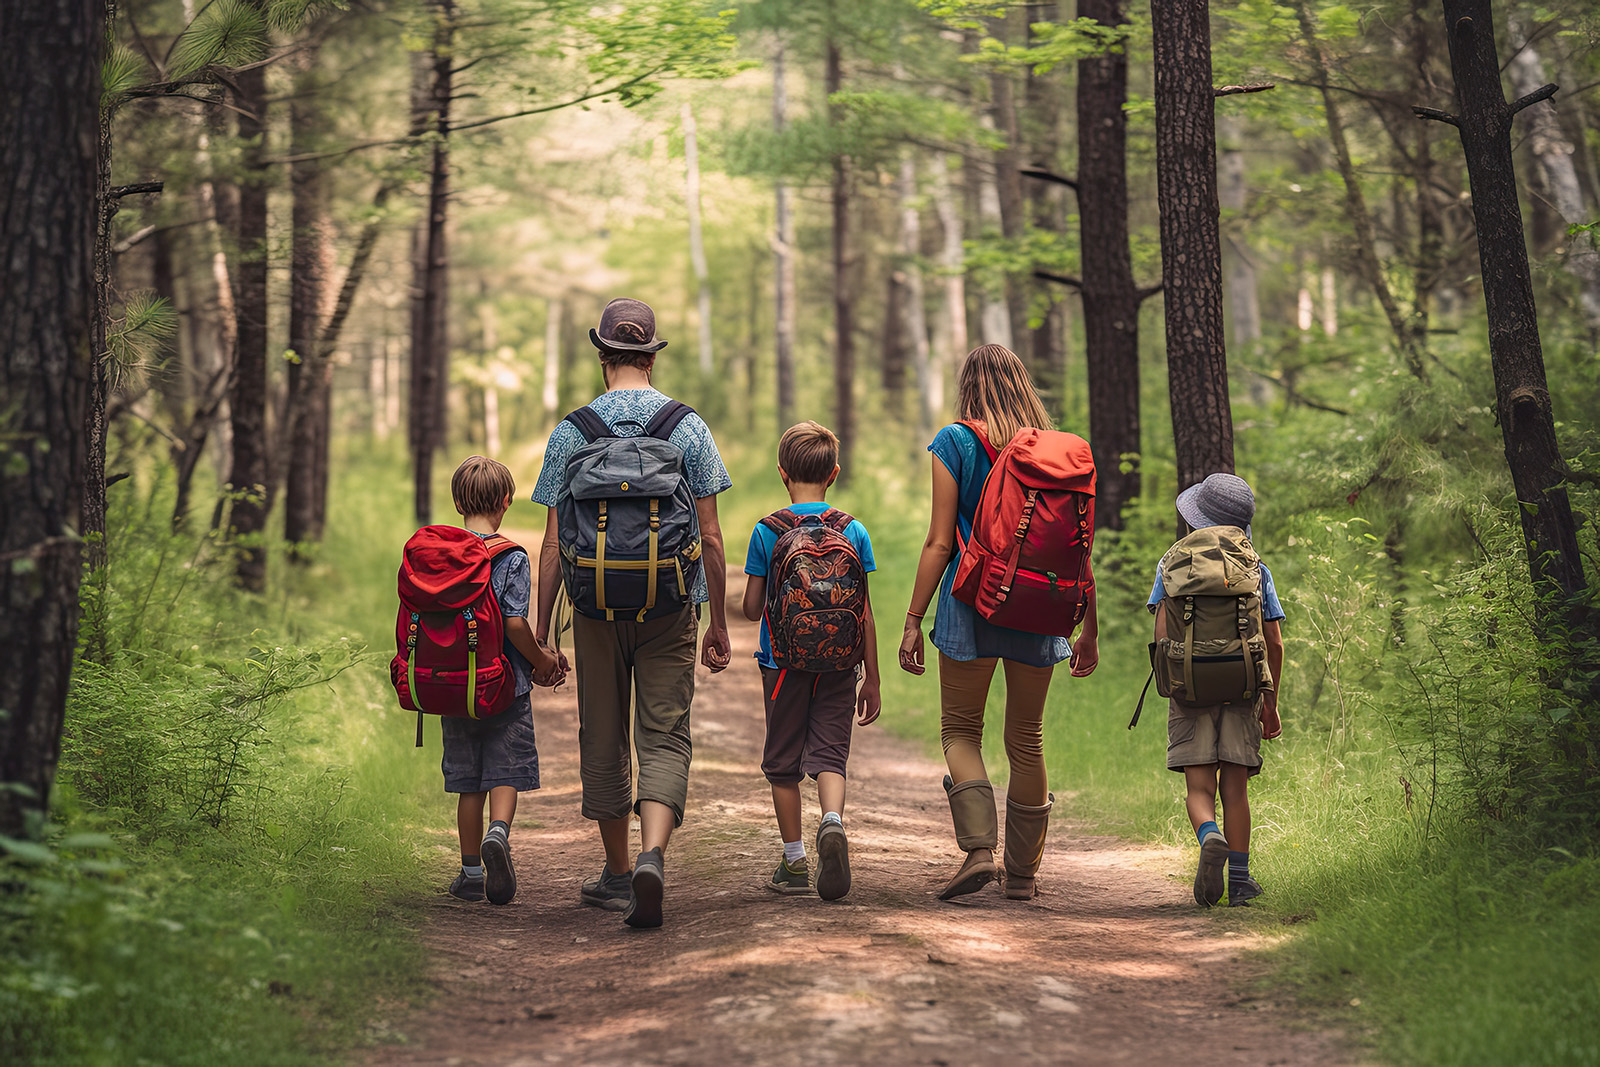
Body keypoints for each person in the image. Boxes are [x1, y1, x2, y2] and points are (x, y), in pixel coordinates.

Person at [531, 297, 733, 929]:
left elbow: (550, 544)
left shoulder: (572, 431)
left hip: (592, 609)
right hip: (670, 605)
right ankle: (653, 855)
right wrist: (719, 622)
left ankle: (617, 874)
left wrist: (540, 635)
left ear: (603, 358)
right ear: (650, 354)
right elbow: (713, 537)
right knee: (665, 731)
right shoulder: (687, 427)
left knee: (603, 731)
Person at [898, 344, 1099, 901]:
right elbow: (1080, 549)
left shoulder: (955, 441)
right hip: (1044, 605)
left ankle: (980, 851)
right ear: (1022, 383)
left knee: (961, 730)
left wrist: (913, 618)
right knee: (1026, 739)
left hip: (971, 601)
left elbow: (941, 540)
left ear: (969, 386)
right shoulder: (1058, 452)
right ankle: (1025, 875)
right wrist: (1089, 626)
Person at [740, 421, 882, 900]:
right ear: (835, 473)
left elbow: (751, 607)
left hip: (782, 665)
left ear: (783, 474)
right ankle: (832, 821)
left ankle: (796, 862)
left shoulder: (767, 531)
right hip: (842, 664)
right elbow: (863, 610)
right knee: (830, 755)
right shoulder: (854, 530)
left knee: (783, 763)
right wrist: (873, 679)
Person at [1148, 472, 1284, 907]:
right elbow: (1275, 642)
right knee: (1236, 789)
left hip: (1190, 688)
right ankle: (1241, 883)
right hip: (1244, 688)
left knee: (1199, 788)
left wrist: (1175, 685)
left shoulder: (1170, 564)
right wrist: (1270, 705)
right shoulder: (1255, 568)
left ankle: (1210, 835)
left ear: (1195, 519)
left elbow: (1161, 633)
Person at [444, 456, 565, 906]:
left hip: (455, 686)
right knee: (505, 769)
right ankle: (499, 832)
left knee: (467, 782)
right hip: (504, 685)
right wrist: (542, 661)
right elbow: (514, 624)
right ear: (506, 502)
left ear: (458, 502)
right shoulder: (511, 556)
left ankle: (471, 872)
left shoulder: (442, 553)